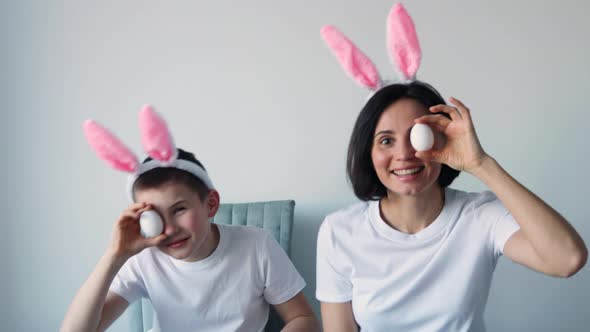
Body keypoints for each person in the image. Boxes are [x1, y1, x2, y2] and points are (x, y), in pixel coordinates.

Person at [315, 81, 588, 331]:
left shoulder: (482, 216)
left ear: (441, 139)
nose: (404, 155)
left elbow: (567, 260)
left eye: (417, 136)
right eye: (386, 140)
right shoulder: (339, 231)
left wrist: (480, 164)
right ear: (368, 153)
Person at [62, 108, 319, 332]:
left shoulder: (257, 246)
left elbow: (302, 318)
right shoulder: (143, 259)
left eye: (179, 209)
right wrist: (114, 256)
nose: (170, 229)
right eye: (155, 216)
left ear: (210, 204)